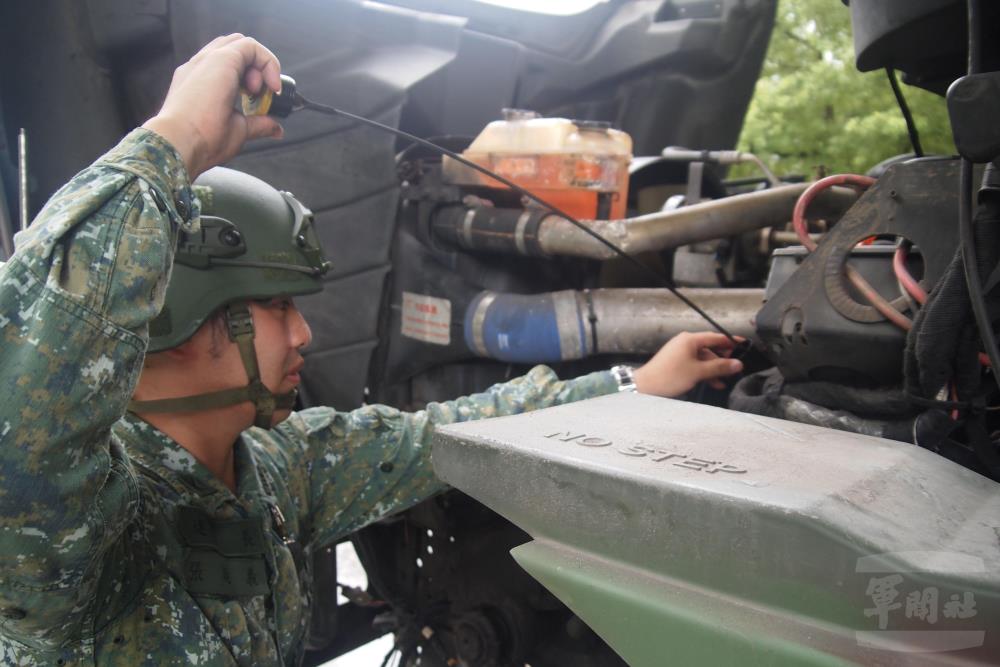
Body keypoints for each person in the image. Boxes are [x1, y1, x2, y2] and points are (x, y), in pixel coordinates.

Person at [0, 35, 743, 665]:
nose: (304, 335)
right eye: (277, 306)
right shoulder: (83, 528)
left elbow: (445, 433)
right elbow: (27, 396)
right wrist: (177, 139)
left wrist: (628, 382)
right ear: (185, 316)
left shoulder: (274, 470)